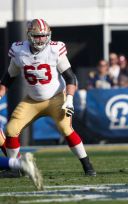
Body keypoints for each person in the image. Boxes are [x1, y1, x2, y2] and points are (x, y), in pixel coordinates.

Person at [0, 19, 96, 176]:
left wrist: (70, 99)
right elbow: (8, 78)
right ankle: (15, 169)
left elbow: (70, 78)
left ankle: (87, 165)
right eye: (37, 36)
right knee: (11, 130)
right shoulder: (19, 50)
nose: (41, 39)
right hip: (32, 100)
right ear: (29, 35)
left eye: (44, 36)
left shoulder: (55, 49)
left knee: (66, 129)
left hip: (56, 98)